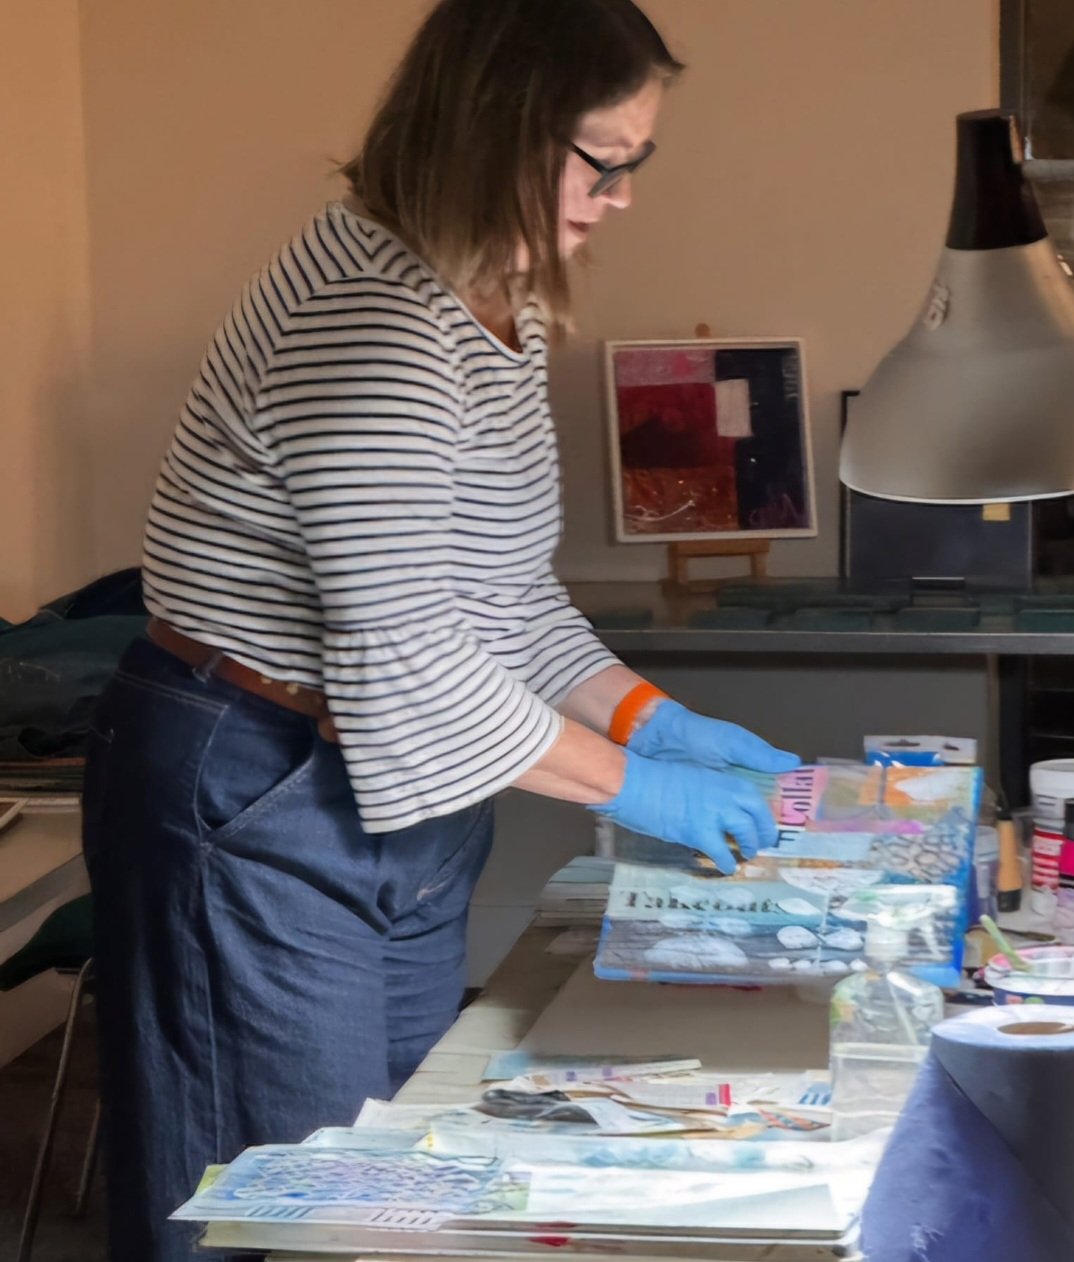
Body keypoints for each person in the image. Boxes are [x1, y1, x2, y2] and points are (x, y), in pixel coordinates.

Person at [81, 2, 799, 1259]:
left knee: (401, 1181)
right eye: (604, 157)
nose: (621, 195)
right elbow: (409, 654)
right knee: (295, 1210)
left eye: (639, 160)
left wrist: (651, 715)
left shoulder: (494, 294)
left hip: (373, 783)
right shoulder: (375, 320)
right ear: (496, 127)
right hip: (257, 779)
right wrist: (648, 788)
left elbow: (503, 594)